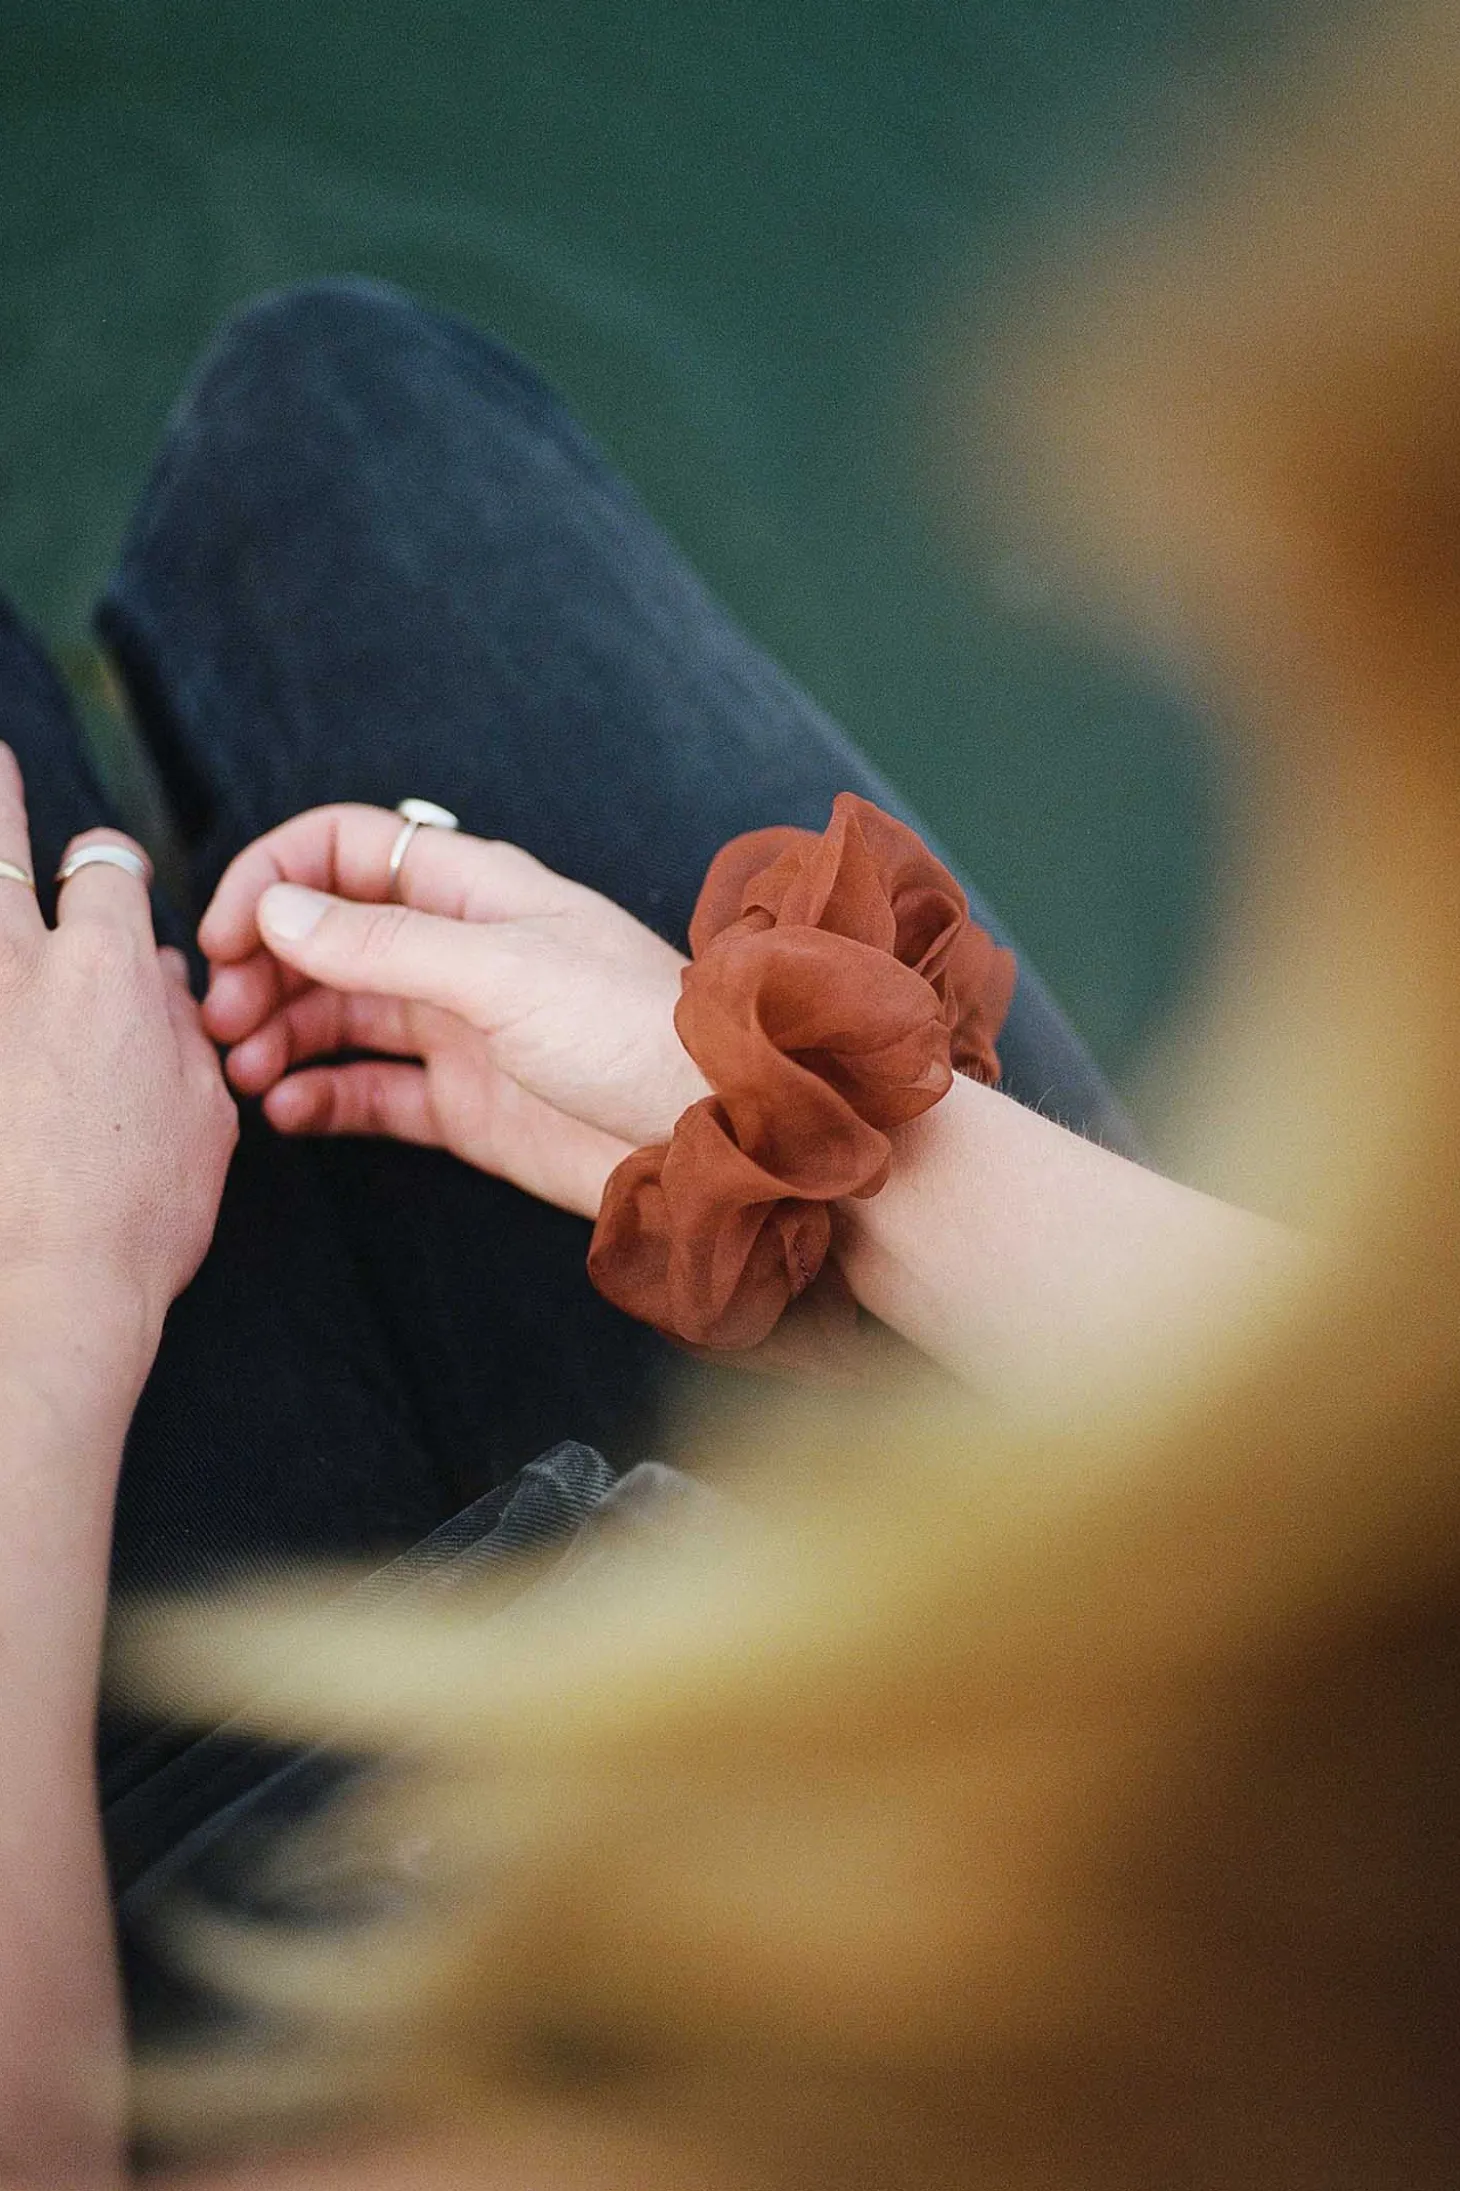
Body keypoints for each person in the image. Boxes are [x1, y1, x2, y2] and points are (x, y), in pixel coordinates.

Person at [0, 278, 1297, 2183]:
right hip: (998, 1635)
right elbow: (1385, 1513)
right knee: (345, 435)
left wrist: (46, 1306)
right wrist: (830, 1149)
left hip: (207, 1953)